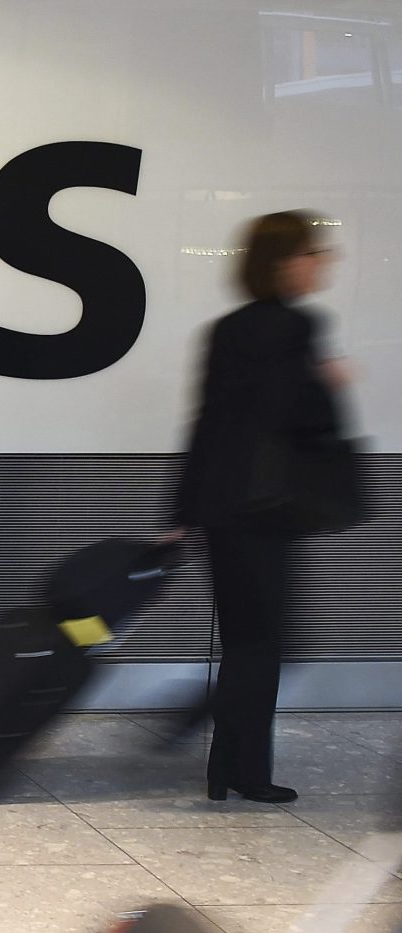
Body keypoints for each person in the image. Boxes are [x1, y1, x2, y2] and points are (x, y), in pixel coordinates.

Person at [163, 211, 352, 805]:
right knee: (265, 645)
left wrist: (181, 509)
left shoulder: (225, 329)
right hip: (268, 511)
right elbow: (304, 419)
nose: (321, 262)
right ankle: (224, 748)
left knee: (248, 639)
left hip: (220, 509)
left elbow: (207, 422)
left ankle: (231, 767)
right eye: (312, 252)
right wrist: (330, 381)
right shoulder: (297, 328)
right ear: (282, 262)